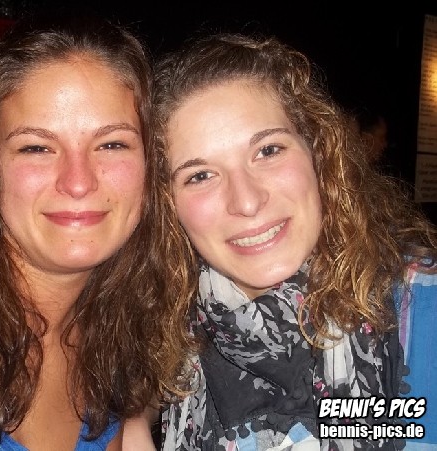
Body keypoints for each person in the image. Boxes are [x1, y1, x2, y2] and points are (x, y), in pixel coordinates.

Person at [0, 11, 196, 450]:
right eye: (36, 147)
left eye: (112, 143)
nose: (78, 182)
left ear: (153, 167)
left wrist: (136, 420)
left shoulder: (122, 350)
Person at [147, 32, 437, 450]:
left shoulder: (423, 306)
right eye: (200, 175)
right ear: (166, 204)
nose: (247, 201)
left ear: (317, 151)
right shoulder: (162, 339)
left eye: (268, 151)